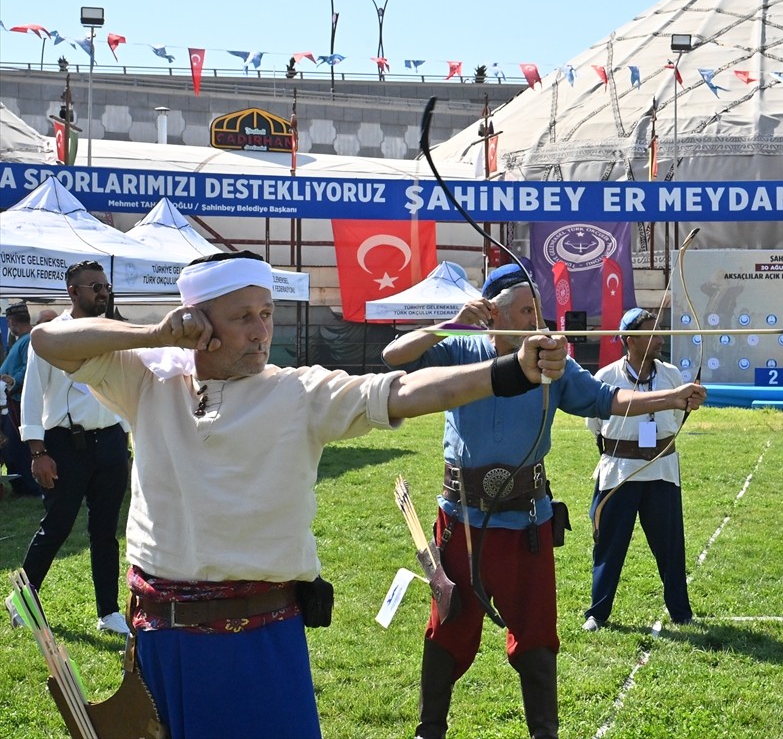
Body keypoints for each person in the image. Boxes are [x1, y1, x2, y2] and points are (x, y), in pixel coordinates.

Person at [27, 251, 567, 739]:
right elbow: (47, 340)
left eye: (266, 313)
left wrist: (510, 371)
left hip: (258, 641)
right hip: (161, 641)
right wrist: (156, 336)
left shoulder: (297, 391)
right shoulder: (148, 380)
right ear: (195, 322)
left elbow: (402, 391)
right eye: (243, 317)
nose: (262, 331)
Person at [382, 263, 706, 739]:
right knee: (448, 626)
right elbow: (394, 356)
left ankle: (544, 732)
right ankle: (430, 728)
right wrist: (450, 322)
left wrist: (671, 397)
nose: (537, 321)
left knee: (536, 634)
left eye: (538, 309)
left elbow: (607, 400)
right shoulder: (459, 348)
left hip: (526, 524)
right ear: (492, 314)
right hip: (460, 523)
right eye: (524, 310)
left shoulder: (553, 361)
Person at [7, 264, 132, 638]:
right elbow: (31, 396)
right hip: (65, 444)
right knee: (57, 526)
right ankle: (23, 600)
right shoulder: (49, 336)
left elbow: (123, 386)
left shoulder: (113, 331)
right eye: (95, 287)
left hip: (109, 441)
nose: (103, 293)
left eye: (106, 286)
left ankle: (109, 611)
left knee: (105, 530)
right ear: (73, 292)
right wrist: (37, 452)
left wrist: (125, 437)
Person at [583, 308, 693, 632]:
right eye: (653, 333)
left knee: (670, 545)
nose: (661, 338)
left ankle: (681, 612)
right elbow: (596, 425)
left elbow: (676, 419)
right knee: (609, 545)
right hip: (620, 472)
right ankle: (598, 613)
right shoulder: (606, 377)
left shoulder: (671, 374)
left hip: (661, 471)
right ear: (631, 340)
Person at [0, 301, 39, 496]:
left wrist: (13, 380)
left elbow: (30, 367)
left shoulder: (29, 339)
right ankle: (21, 485)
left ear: (11, 321)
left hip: (18, 401)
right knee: (11, 446)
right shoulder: (22, 340)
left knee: (17, 447)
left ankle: (28, 486)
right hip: (11, 401)